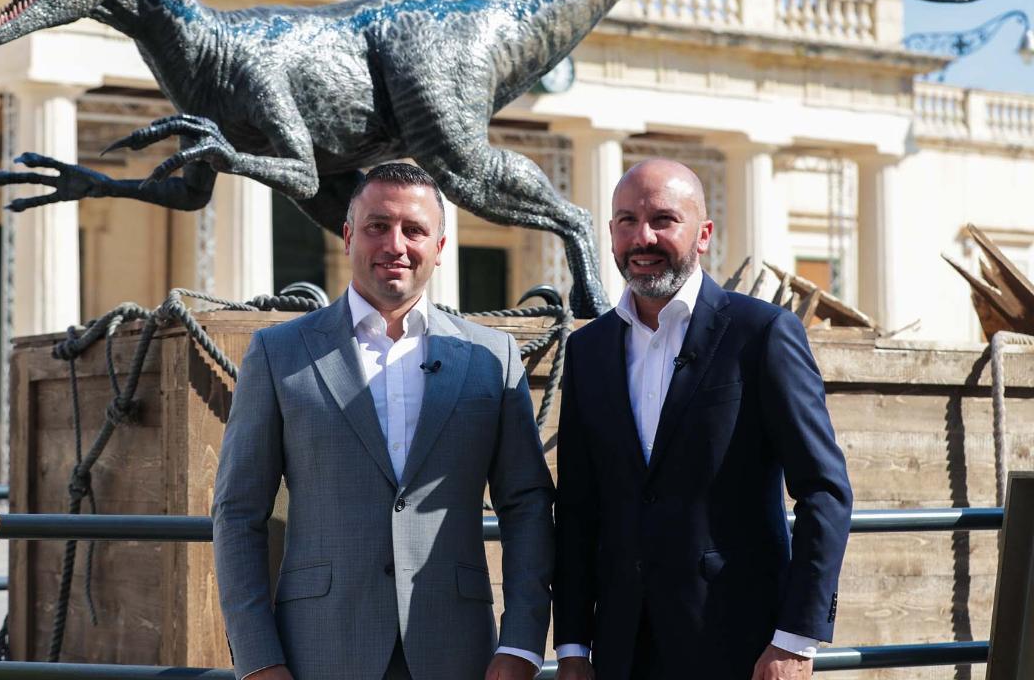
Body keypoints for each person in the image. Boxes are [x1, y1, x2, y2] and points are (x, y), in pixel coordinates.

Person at [213, 163, 554, 680]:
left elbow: (527, 504)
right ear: (348, 236)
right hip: (318, 650)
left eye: (414, 230)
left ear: (440, 247)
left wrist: (524, 643)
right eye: (377, 226)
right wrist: (258, 658)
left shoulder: (491, 357)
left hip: (458, 652)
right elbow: (239, 513)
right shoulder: (279, 353)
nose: (395, 244)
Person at [553, 159, 853, 680]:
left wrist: (796, 641)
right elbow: (578, 508)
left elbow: (824, 490)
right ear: (610, 233)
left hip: (740, 646)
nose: (642, 237)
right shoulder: (587, 349)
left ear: (703, 234)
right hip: (622, 652)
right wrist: (573, 646)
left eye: (663, 220)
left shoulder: (762, 334)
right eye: (626, 221)